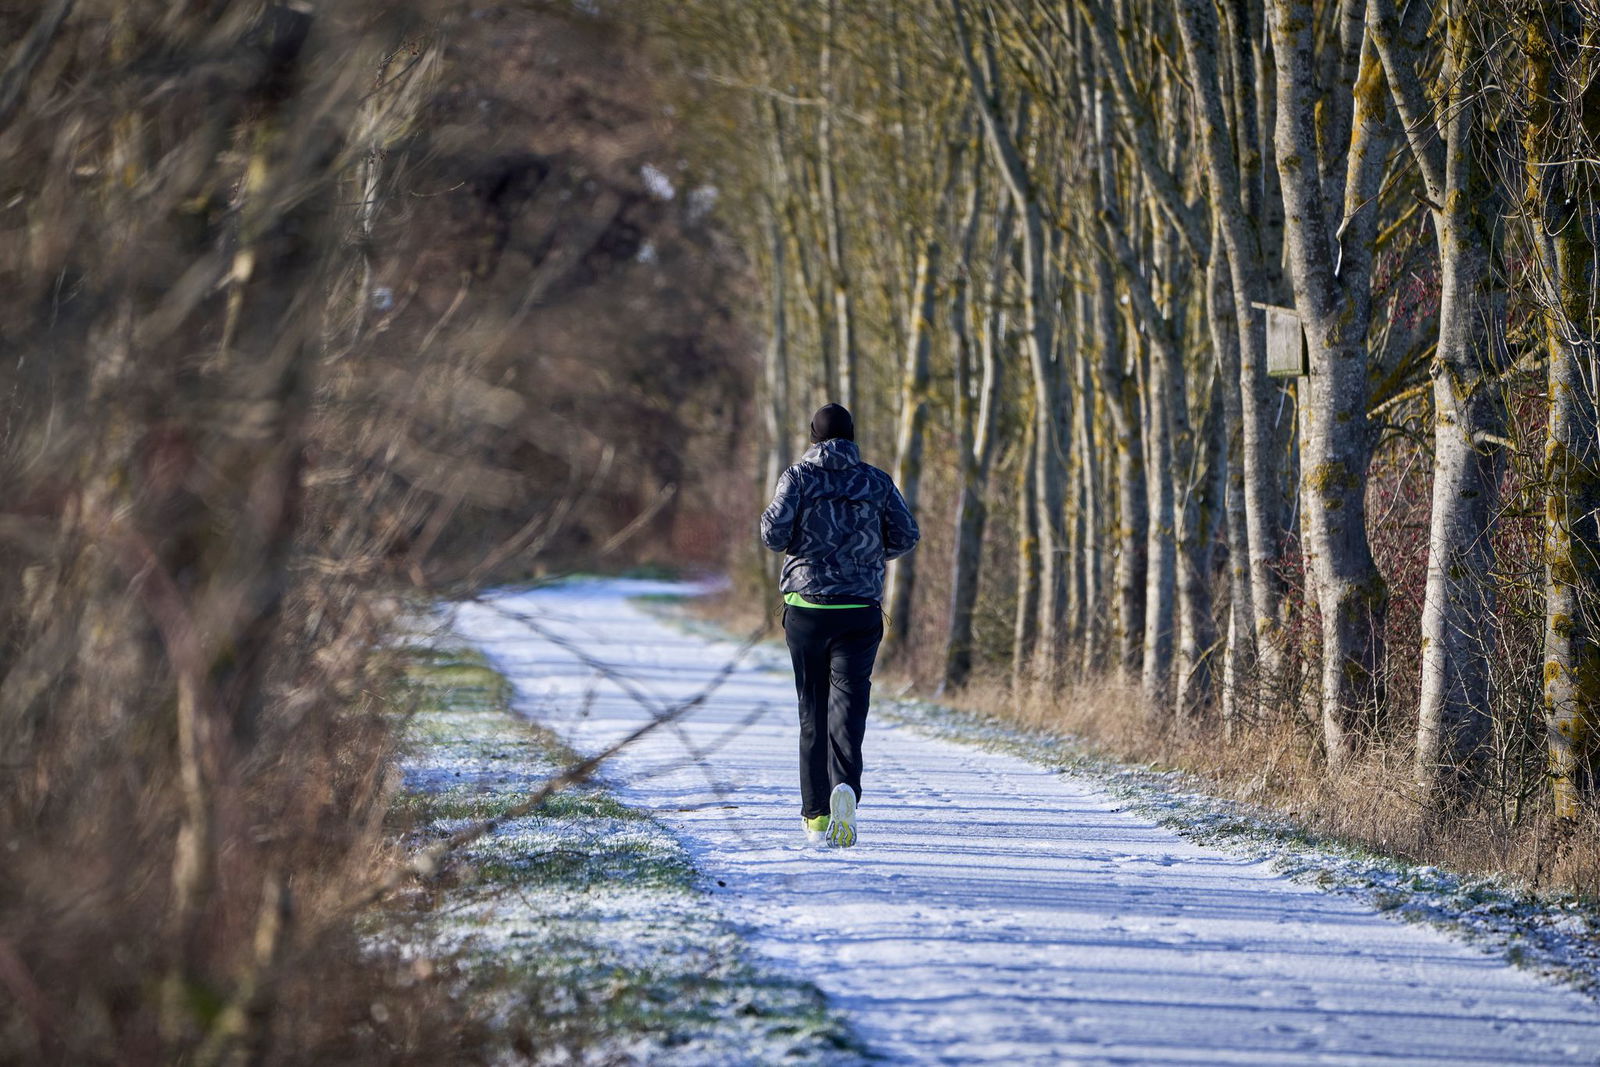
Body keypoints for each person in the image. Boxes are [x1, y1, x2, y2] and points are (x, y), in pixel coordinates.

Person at [759, 403, 920, 847]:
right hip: (859, 612)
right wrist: (865, 559)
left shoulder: (797, 477)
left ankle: (815, 817)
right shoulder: (876, 480)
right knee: (847, 713)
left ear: (813, 435)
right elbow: (906, 535)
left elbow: (773, 535)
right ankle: (845, 790)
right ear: (852, 436)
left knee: (812, 712)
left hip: (807, 610)